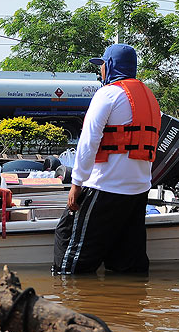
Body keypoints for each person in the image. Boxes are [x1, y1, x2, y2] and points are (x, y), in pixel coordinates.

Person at [53, 43, 161, 275]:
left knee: (69, 254)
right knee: (128, 264)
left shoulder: (108, 94)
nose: (100, 70)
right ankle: (126, 307)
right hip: (138, 191)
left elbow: (88, 142)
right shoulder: (150, 97)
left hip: (106, 187)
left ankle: (70, 300)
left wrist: (76, 183)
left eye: (101, 65)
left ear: (109, 65)